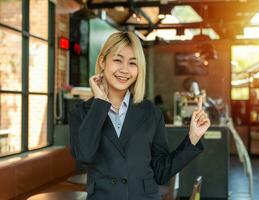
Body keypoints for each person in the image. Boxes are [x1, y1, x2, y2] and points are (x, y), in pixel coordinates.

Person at [69, 31, 211, 200]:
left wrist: (192, 138)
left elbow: (161, 173)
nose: (124, 70)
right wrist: (100, 102)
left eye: (132, 63)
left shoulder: (151, 113)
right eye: (117, 60)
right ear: (102, 61)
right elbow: (84, 155)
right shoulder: (81, 112)